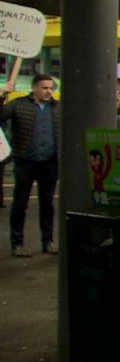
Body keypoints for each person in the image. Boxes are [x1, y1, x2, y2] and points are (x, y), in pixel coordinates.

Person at [1, 74, 60, 257]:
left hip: (49, 162)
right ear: (34, 88)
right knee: (20, 203)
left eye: (51, 88)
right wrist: (2, 95)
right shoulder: (19, 104)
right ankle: (17, 243)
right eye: (44, 88)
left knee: (47, 204)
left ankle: (48, 241)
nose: (48, 91)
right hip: (25, 161)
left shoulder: (57, 108)